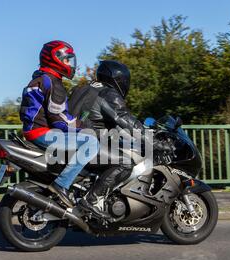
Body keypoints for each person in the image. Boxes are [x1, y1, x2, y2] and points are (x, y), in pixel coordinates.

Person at [69, 60, 169, 219]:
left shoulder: (81, 89)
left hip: (69, 142)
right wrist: (154, 142)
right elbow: (126, 120)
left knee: (118, 150)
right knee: (125, 163)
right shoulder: (108, 94)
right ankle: (92, 200)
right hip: (88, 145)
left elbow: (95, 120)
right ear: (118, 80)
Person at [20, 40, 99, 208]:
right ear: (55, 59)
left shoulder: (40, 79)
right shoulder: (52, 82)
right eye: (66, 59)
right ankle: (61, 185)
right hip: (42, 132)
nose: (69, 64)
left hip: (33, 130)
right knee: (91, 142)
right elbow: (59, 118)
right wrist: (84, 127)